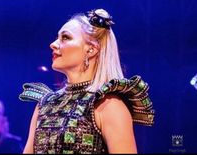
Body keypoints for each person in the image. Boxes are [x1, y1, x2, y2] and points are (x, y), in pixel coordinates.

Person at [19, 8, 155, 154]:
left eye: (65, 37)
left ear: (91, 49)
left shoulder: (109, 104)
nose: (53, 44)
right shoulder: (44, 104)